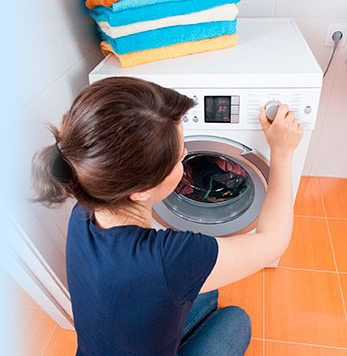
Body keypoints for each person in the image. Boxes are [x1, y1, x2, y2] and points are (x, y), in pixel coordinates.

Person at [31, 77, 303, 356]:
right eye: (179, 158)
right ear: (140, 191)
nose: (186, 154)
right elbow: (273, 241)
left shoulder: (84, 208)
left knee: (207, 291)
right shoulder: (170, 259)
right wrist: (282, 153)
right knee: (236, 320)